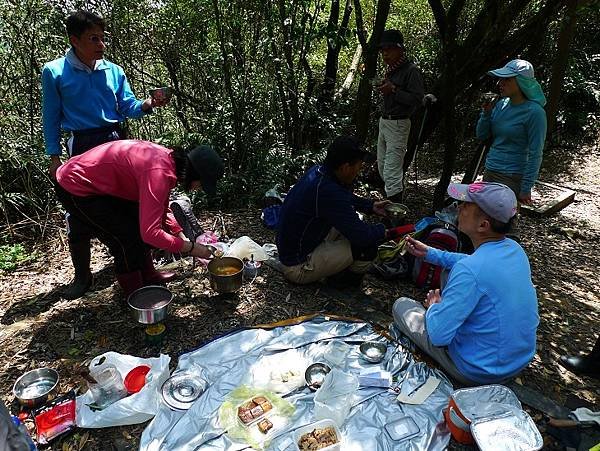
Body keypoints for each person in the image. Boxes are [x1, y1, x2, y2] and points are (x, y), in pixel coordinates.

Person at [42, 10, 169, 299]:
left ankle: (144, 268)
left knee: (129, 208)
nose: (101, 45)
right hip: (82, 146)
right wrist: (54, 156)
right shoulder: (55, 71)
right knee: (78, 213)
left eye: (102, 38)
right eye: (93, 38)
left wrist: (149, 103)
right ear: (74, 40)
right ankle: (82, 277)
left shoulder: (113, 71)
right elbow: (50, 117)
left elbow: (127, 107)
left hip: (114, 141)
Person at [393, 182, 539, 386]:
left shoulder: (470, 271)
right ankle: (450, 315)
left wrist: (434, 307)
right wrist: (430, 253)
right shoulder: (514, 249)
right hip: (515, 362)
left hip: (478, 370)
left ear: (483, 225)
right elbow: (470, 264)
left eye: (466, 206)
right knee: (447, 270)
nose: (459, 208)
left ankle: (446, 318)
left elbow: (438, 336)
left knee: (401, 305)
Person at [54, 140, 224, 296]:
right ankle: (137, 294)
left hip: (101, 185)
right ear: (194, 174)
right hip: (75, 185)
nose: (198, 188)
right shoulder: (159, 172)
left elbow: (160, 210)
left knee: (137, 223)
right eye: (201, 184)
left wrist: (179, 234)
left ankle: (149, 275)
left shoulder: (169, 163)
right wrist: (190, 247)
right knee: (125, 238)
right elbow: (150, 233)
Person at [276, 135, 393, 285]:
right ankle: (341, 283)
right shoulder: (328, 191)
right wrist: (384, 229)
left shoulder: (319, 172)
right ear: (345, 167)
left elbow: (343, 197)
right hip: (298, 266)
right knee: (366, 247)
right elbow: (362, 236)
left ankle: (333, 266)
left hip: (292, 250)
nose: (359, 170)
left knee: (354, 223)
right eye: (358, 166)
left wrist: (370, 206)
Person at [476, 59, 547, 206]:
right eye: (501, 79)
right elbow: (482, 135)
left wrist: (526, 187)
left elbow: (536, 153)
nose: (500, 83)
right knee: (483, 220)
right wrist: (486, 113)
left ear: (522, 82)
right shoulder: (502, 104)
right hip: (490, 170)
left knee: (499, 223)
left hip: (512, 176)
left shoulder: (535, 112)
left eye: (507, 79)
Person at [376, 29, 424, 203]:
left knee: (391, 172)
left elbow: (417, 99)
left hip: (399, 124)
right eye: (383, 50)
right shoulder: (392, 70)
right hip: (385, 122)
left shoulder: (411, 71)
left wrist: (394, 90)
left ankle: (396, 215)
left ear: (400, 50)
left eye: (389, 49)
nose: (385, 53)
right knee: (382, 168)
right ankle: (390, 208)